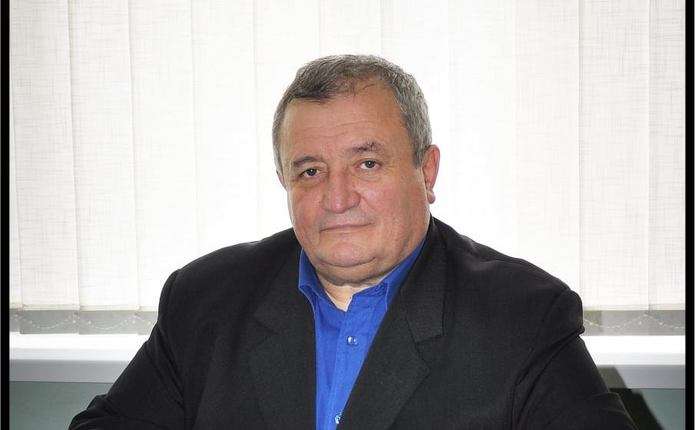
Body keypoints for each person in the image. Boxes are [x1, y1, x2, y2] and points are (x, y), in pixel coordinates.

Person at [70, 55, 635, 429]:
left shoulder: (522, 315)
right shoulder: (206, 299)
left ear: (426, 171)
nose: (337, 199)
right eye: (311, 171)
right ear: (285, 182)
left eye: (367, 164)